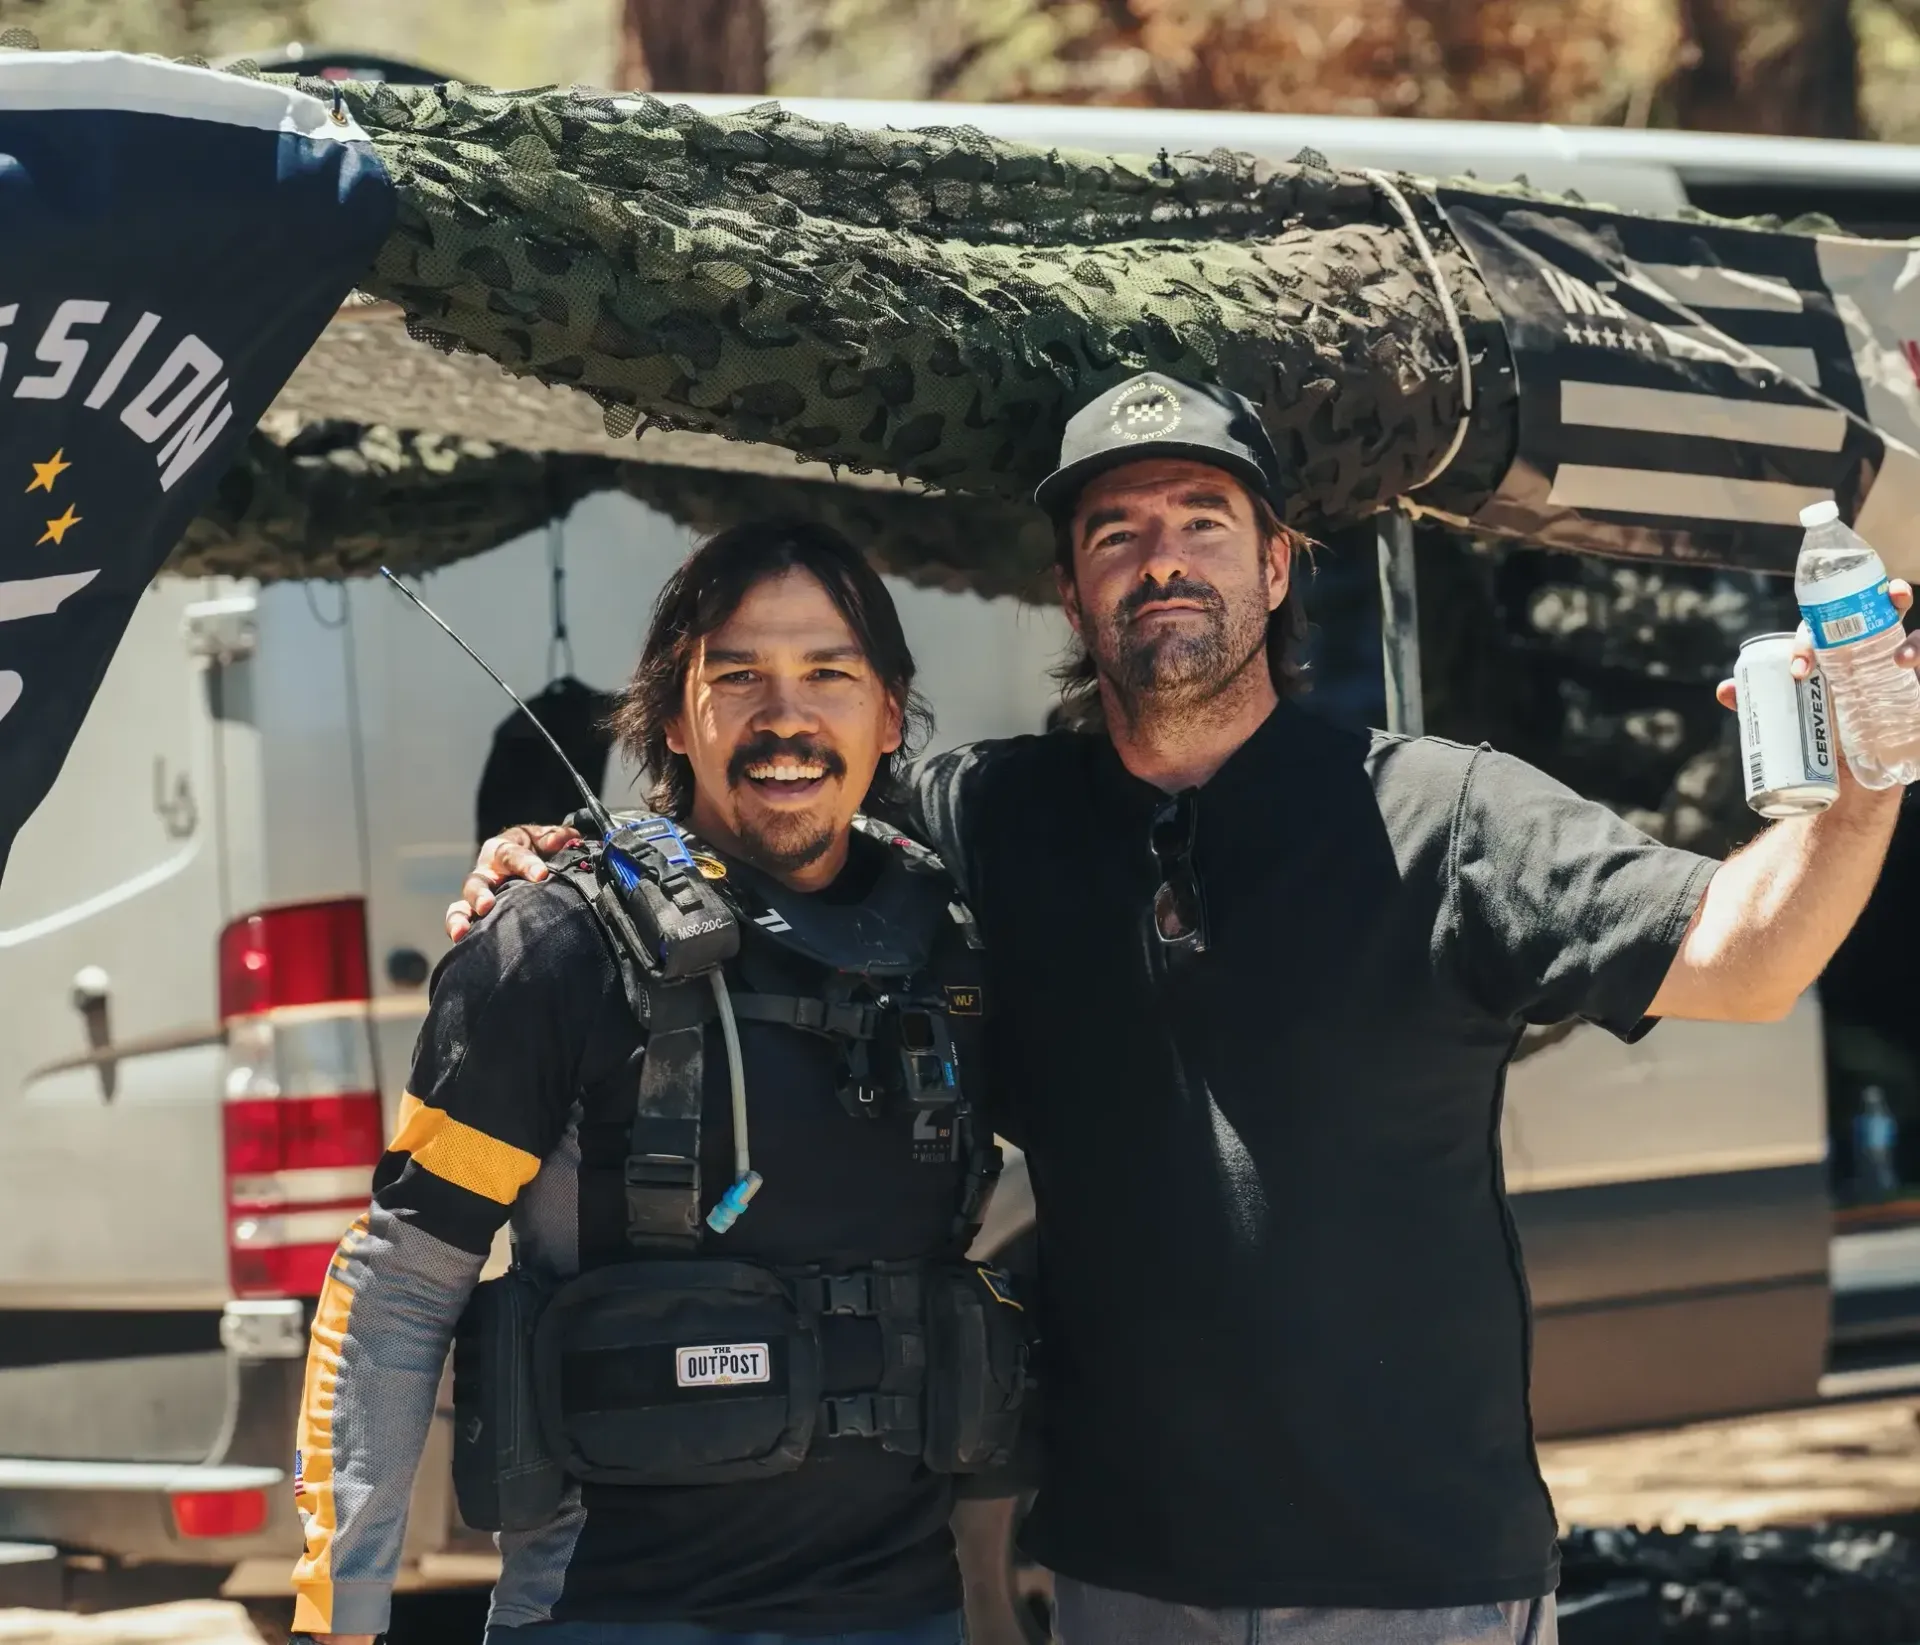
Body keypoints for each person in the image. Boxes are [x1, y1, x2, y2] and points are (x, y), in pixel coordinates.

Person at [456, 372, 1918, 1645]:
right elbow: (770, 786)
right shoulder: (988, 821)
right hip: (1123, 1584)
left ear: (1279, 567)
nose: (1164, 560)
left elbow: (1747, 956)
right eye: (1117, 533)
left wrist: (1863, 787)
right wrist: (561, 859)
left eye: (1204, 522)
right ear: (1073, 587)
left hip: (1420, 1586)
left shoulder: (1446, 817)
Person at [290, 520, 1024, 1645]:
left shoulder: (956, 946)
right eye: (739, 677)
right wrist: (339, 1611)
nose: (787, 717)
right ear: (675, 719)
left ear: (889, 712)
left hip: (900, 1611)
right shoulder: (556, 945)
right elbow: (400, 1283)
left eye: (829, 673)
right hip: (611, 1612)